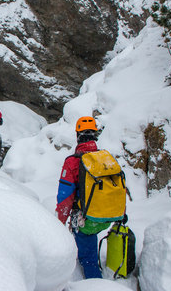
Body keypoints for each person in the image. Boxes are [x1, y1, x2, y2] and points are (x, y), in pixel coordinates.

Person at [55, 116, 111, 279]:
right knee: (89, 241)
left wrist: (59, 222)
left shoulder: (73, 162)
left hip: (85, 218)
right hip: (105, 215)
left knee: (88, 258)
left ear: (78, 135)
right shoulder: (105, 158)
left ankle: (95, 283)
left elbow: (65, 196)